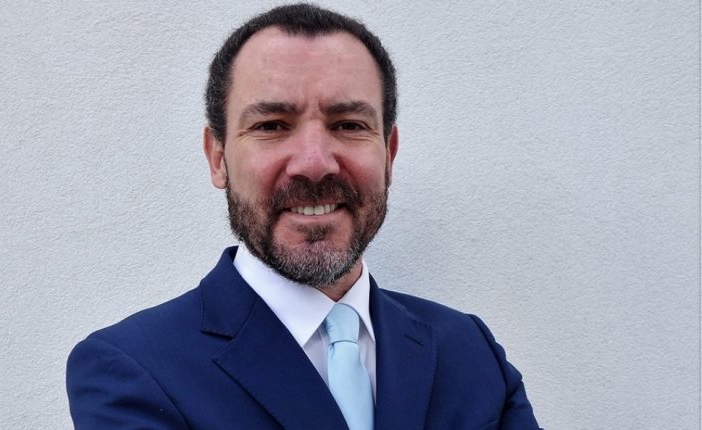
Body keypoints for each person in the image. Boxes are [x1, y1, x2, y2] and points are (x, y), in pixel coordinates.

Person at [66, 3, 541, 429]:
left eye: (348, 125)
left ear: (389, 154)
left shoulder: (469, 350)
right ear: (218, 157)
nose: (314, 163)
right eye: (272, 125)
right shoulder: (131, 370)